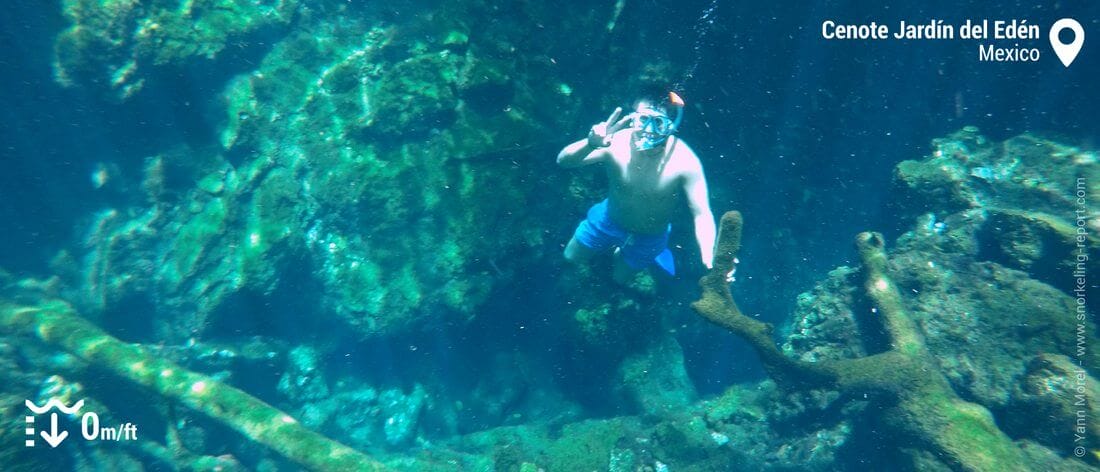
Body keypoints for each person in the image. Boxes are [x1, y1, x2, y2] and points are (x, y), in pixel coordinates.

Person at [558, 91, 716, 284]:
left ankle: (636, 253)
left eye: (658, 123)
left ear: (672, 126)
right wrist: (590, 144)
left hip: (650, 236)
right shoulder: (614, 142)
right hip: (608, 219)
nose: (648, 130)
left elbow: (702, 213)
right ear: (633, 119)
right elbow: (563, 161)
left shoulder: (684, 160)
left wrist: (709, 256)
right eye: (643, 120)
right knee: (569, 258)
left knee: (619, 280)